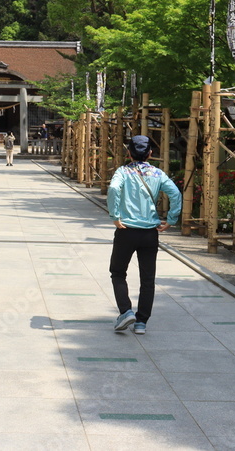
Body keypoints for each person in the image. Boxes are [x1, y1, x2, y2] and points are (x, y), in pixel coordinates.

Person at [105, 135, 181, 335]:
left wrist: (115, 215)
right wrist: (171, 220)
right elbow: (175, 194)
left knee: (118, 272)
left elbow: (113, 188)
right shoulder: (158, 174)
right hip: (150, 233)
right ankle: (141, 322)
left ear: (128, 153)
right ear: (150, 153)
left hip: (126, 230)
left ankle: (125, 311)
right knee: (148, 278)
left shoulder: (123, 171)